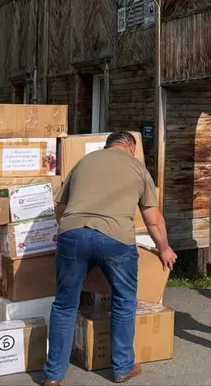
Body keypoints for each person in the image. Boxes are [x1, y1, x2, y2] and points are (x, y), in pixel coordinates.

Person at [44, 131, 176, 386]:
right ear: (131, 147)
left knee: (64, 305)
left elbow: (60, 206)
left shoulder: (84, 162)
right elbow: (153, 219)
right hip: (115, 239)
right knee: (124, 301)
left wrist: (67, 230)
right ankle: (122, 367)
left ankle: (53, 375)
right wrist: (164, 248)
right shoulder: (138, 168)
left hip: (73, 234)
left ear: (108, 146)